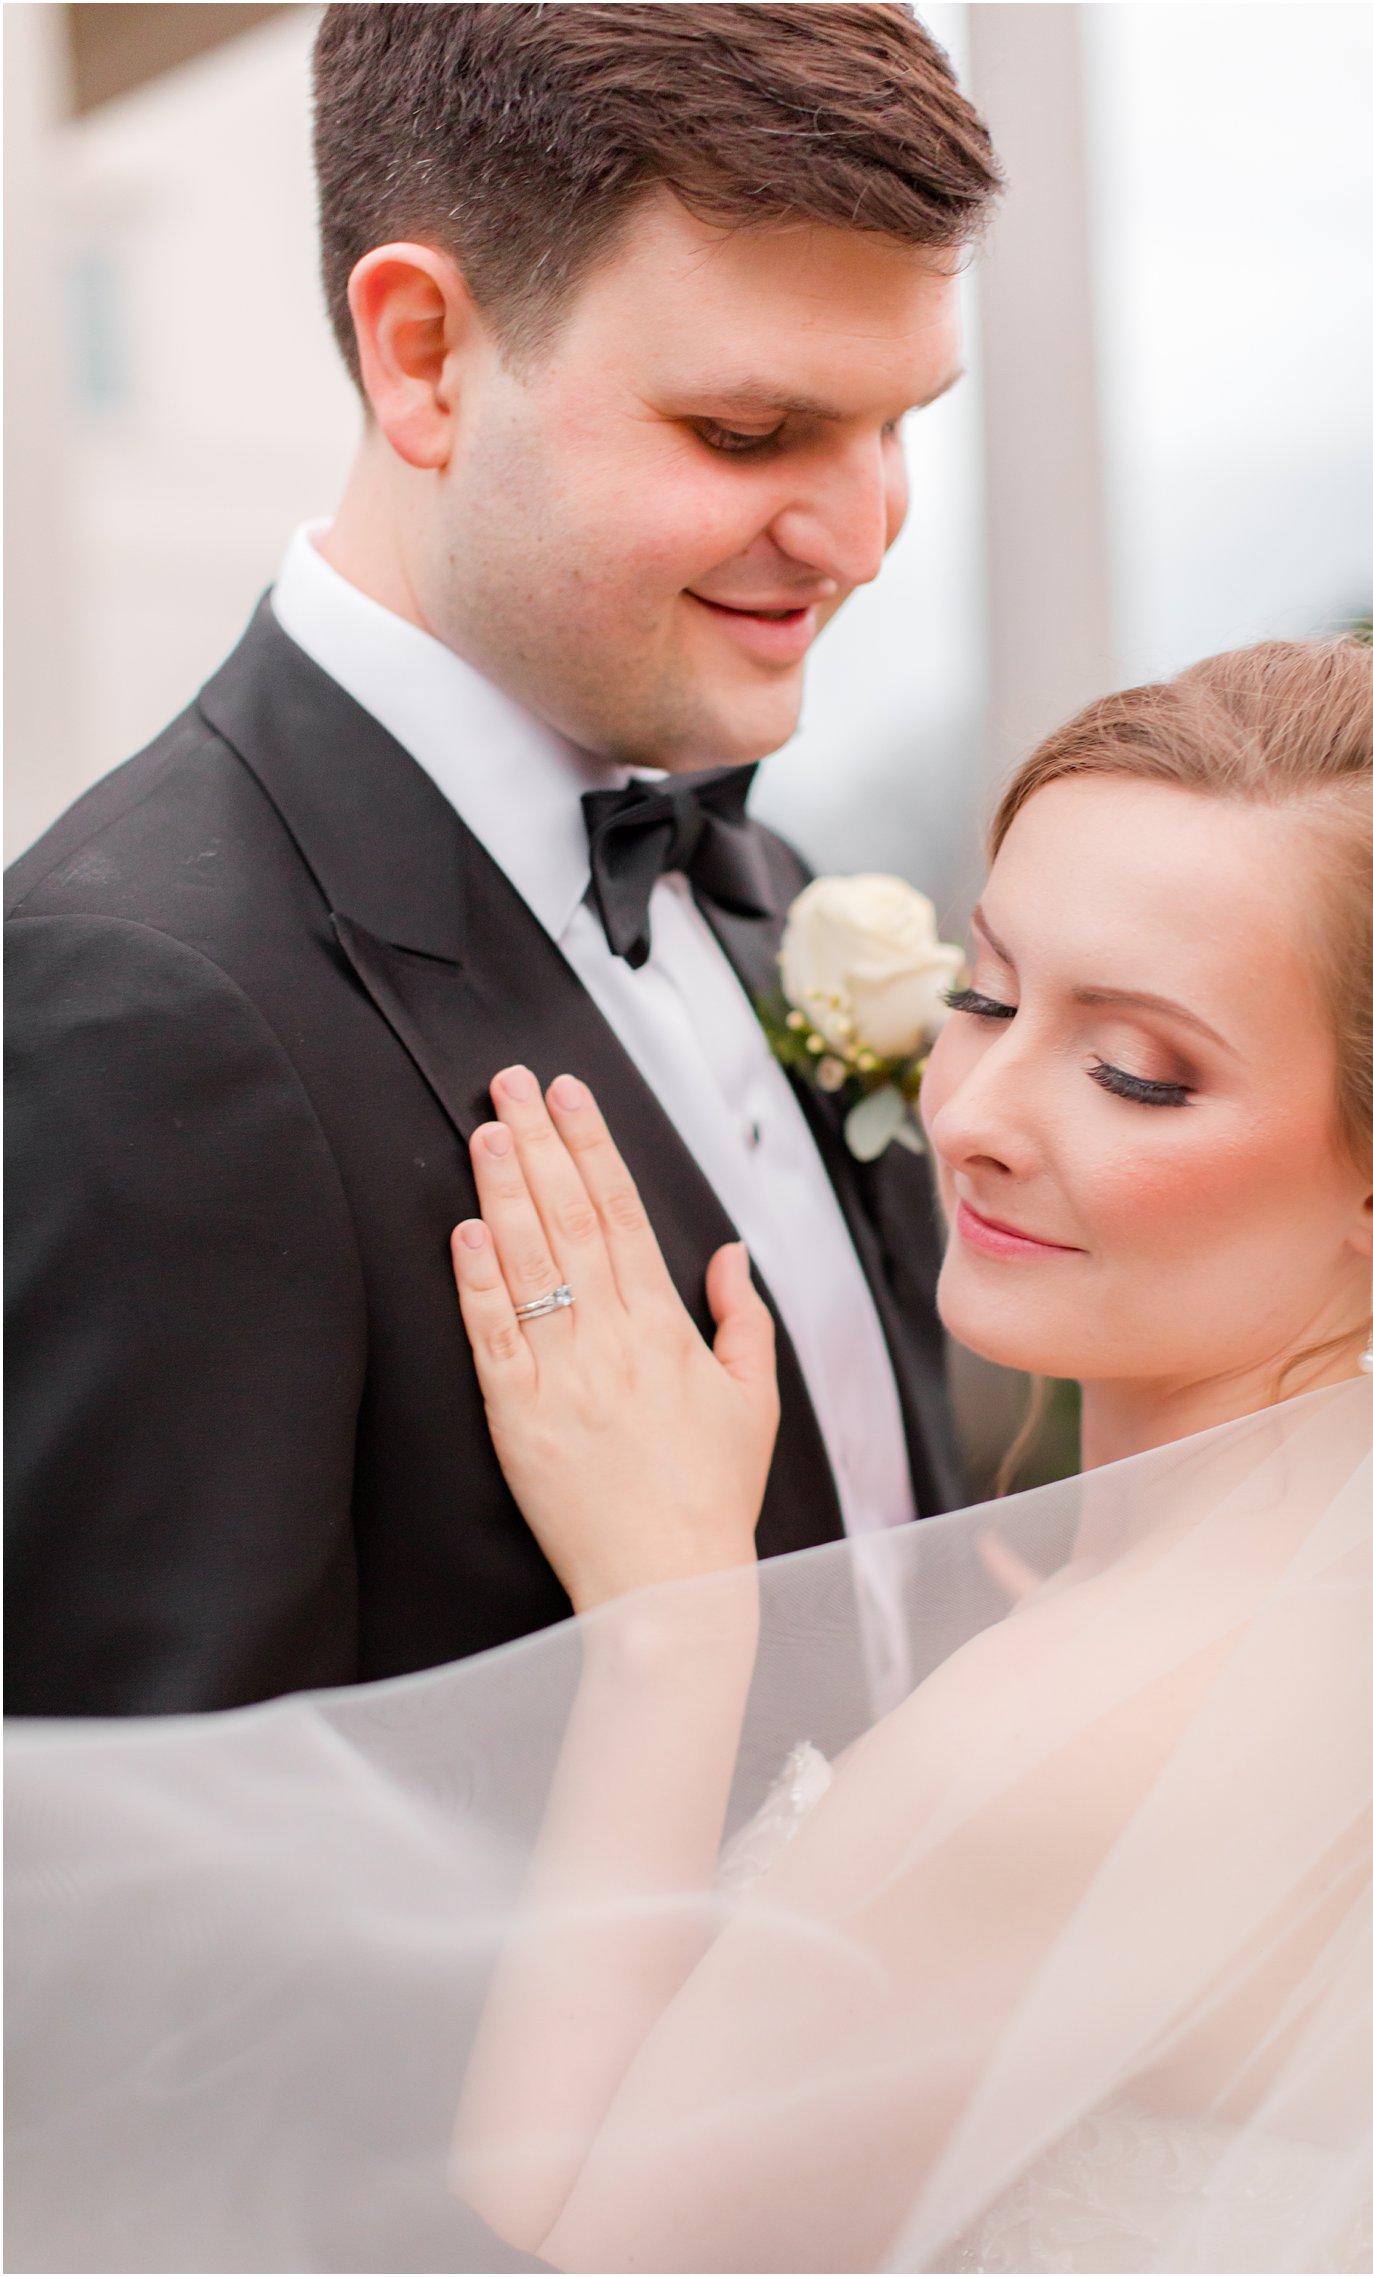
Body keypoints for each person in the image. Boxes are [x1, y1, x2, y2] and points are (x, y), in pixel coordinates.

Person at [7, 633, 1373, 2274]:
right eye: (986, 992)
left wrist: (670, 1620)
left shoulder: (1054, 1757)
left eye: (1136, 1072)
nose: (976, 1110)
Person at [3, 5, 998, 1717]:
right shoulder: (144, 1009)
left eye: (900, 425)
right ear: (423, 355)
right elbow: (168, 1933)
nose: (862, 536)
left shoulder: (768, 880)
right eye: (750, 433)